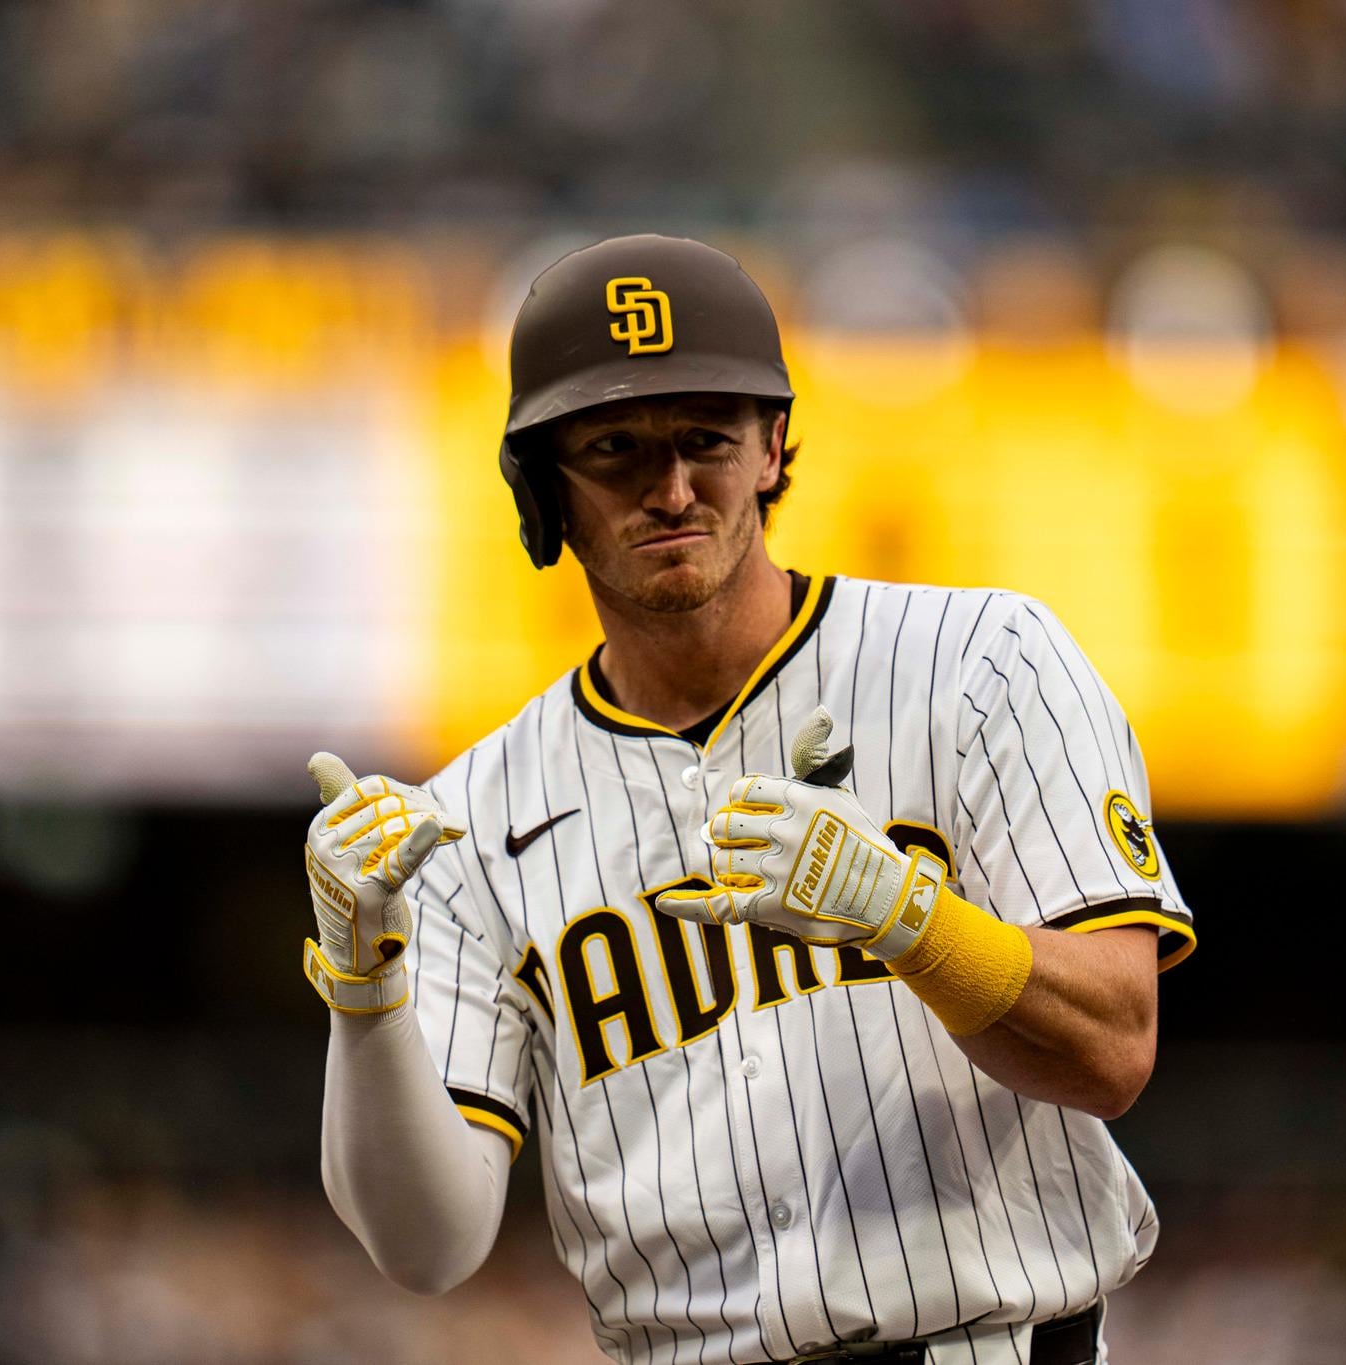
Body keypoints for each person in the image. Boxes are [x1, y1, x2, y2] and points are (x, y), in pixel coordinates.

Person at [301, 234, 1196, 1365]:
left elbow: (1112, 1049)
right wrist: (365, 990)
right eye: (616, 448)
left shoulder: (982, 660)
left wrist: (909, 920)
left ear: (772, 446)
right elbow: (427, 1246)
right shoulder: (470, 821)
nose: (672, 488)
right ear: (543, 487)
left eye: (707, 439)